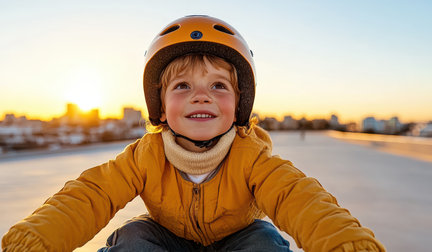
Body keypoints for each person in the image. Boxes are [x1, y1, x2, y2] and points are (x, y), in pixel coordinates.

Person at [2, 15, 385, 251]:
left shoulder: (251, 156)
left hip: (238, 240)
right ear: (160, 106)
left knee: (265, 240)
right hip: (166, 240)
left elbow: (298, 198)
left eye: (218, 86)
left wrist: (346, 245)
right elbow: (90, 196)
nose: (201, 96)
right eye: (182, 86)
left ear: (240, 103)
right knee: (132, 236)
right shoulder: (145, 155)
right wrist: (33, 243)